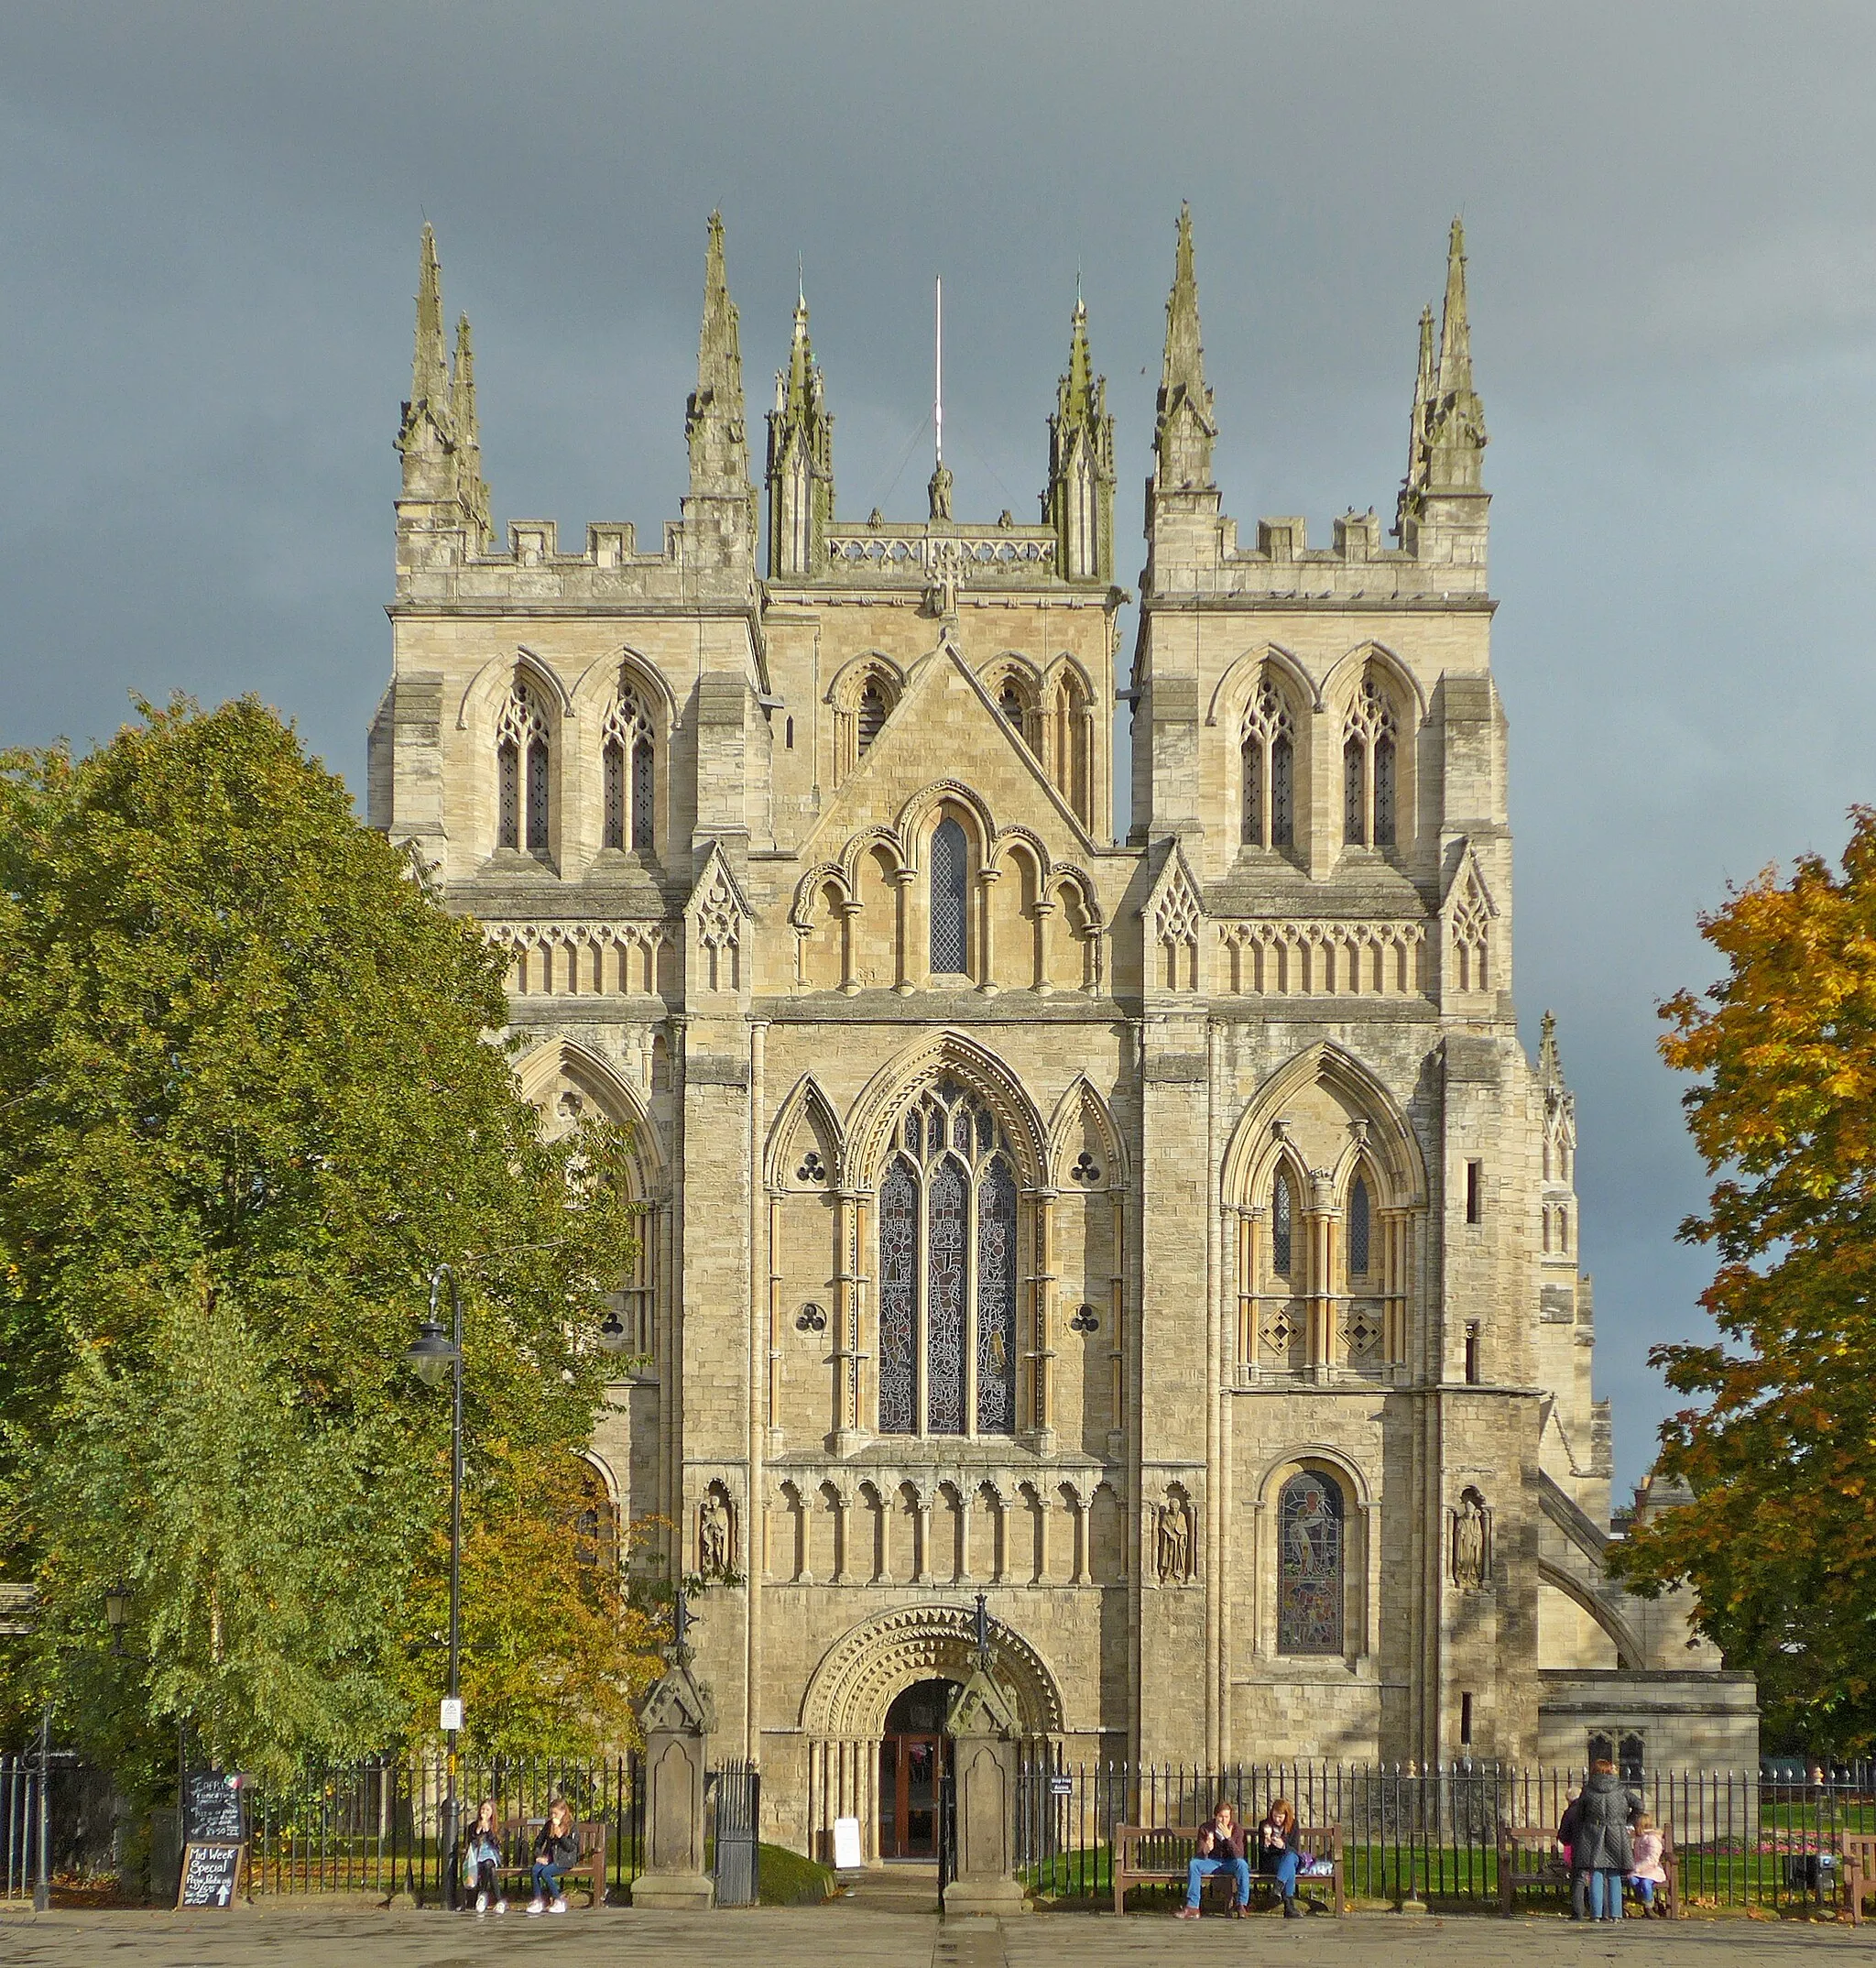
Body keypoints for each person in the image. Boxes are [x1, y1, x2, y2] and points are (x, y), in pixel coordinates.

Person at [1567, 1759, 1640, 1921]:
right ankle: (1616, 1914)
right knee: (1614, 1872)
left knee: (1596, 1872)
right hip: (1616, 1831)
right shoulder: (1621, 1789)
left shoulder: (1588, 1790)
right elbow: (1639, 1806)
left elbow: (1580, 1813)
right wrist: (1626, 1821)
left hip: (1593, 1832)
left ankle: (1596, 1915)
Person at [1175, 1799, 1251, 1919]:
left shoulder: (1237, 1829)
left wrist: (1228, 1839)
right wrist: (1206, 1849)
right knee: (1194, 1864)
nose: (1224, 1820)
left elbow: (1239, 1855)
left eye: (1227, 1817)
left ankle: (1242, 1905)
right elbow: (1200, 1855)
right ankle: (1192, 1907)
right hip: (1212, 1862)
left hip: (1229, 1862)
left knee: (1242, 1865)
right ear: (1215, 1816)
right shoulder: (1206, 1828)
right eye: (1221, 1817)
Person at [1255, 1797, 1306, 1918]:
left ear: (1286, 1816)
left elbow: (1295, 1848)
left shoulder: (1293, 1825)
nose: (1277, 1819)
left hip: (1289, 1857)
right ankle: (1289, 1907)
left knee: (1290, 1857)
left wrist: (1283, 1846)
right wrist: (1266, 1845)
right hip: (1272, 1861)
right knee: (1289, 1868)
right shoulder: (1264, 1825)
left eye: (1280, 1817)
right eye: (1274, 1816)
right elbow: (1262, 1852)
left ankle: (1278, 1888)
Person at [528, 1799, 580, 1915]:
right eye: (551, 1813)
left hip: (565, 1859)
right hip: (550, 1857)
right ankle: (538, 1901)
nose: (553, 1816)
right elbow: (538, 1842)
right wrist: (539, 1856)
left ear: (563, 1812)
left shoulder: (572, 1826)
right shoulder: (549, 1825)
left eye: (555, 1813)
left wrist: (561, 1836)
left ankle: (558, 1900)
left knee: (545, 1872)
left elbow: (571, 1848)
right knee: (535, 1870)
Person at [462, 1799, 506, 1917]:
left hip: (491, 1855)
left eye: (487, 1810)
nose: (484, 1812)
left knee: (489, 1865)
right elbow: (470, 1842)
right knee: (486, 1868)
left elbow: (496, 1843)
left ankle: (486, 1895)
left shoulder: (497, 1827)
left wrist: (488, 1830)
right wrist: (478, 1830)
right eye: (482, 1809)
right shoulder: (473, 1826)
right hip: (476, 1856)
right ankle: (491, 1897)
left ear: (492, 1812)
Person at [1627, 1813, 1667, 1917]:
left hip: (1651, 1870)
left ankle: (1649, 1905)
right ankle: (1642, 1898)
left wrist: (1638, 1868)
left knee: (1645, 1883)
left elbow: (1652, 1859)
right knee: (1633, 1879)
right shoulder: (1639, 1838)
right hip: (1638, 1869)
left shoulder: (1652, 1839)